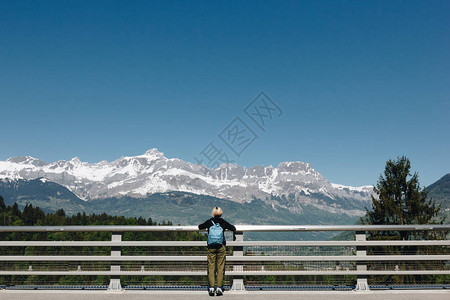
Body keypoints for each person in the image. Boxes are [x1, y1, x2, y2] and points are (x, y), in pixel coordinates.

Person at [198, 206, 236, 296]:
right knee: (220, 268)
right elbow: (233, 228)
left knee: (211, 267)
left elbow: (200, 227)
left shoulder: (209, 222)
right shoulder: (223, 222)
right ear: (221, 213)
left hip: (211, 247)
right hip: (221, 247)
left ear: (213, 213)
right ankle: (219, 288)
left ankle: (211, 288)